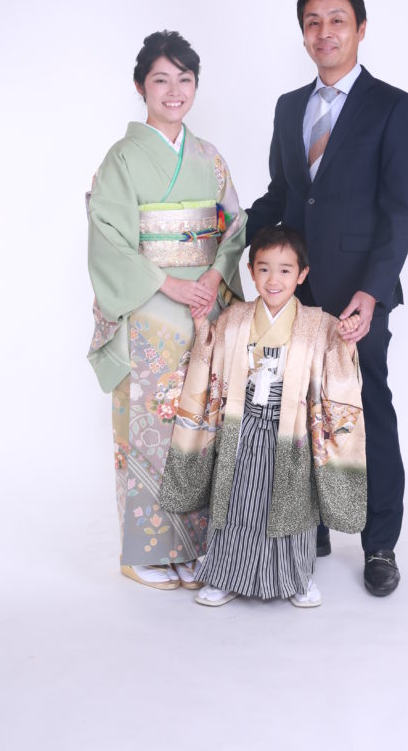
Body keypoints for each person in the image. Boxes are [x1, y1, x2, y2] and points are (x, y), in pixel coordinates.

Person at [245, 0, 408, 597]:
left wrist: (373, 292)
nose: (325, 32)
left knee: (367, 410)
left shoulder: (392, 106)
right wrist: (240, 246)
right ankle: (310, 527)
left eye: (337, 20)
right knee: (297, 407)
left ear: (360, 29)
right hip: (296, 291)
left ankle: (380, 543)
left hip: (357, 295)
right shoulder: (289, 106)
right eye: (313, 22)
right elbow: (284, 195)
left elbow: (399, 210)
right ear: (303, 35)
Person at [87, 30, 247, 591]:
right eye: (161, 79)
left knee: (201, 425)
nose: (174, 90)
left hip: (203, 310)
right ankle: (144, 551)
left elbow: (234, 225)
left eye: (185, 79)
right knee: (149, 426)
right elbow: (108, 238)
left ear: (196, 86)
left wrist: (213, 275)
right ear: (141, 86)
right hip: (149, 313)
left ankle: (195, 546)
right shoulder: (122, 159)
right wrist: (170, 284)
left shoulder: (210, 158)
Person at [160, 224, 366, 608]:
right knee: (238, 502)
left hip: (291, 431)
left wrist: (345, 339)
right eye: (264, 268)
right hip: (241, 425)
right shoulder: (236, 317)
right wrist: (203, 326)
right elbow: (211, 354)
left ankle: (297, 577)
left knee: (291, 506)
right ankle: (226, 575)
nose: (274, 279)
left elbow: (336, 365)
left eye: (285, 270)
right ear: (251, 271)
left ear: (302, 275)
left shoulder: (318, 323)